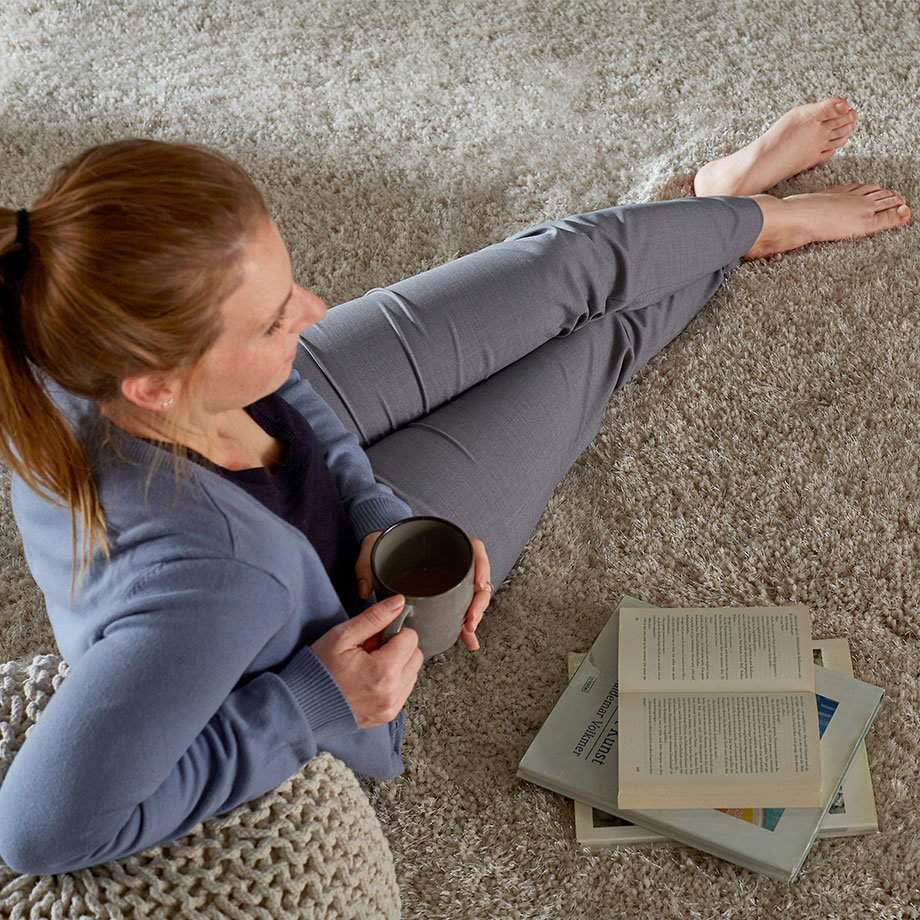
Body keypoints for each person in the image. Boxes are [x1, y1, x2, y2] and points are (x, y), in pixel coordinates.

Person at [0, 98, 909, 875]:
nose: (314, 309)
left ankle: (732, 206)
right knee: (594, 350)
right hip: (361, 592)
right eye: (280, 316)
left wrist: (372, 507)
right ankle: (727, 214)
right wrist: (313, 703)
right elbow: (42, 829)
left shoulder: (58, 308)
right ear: (155, 385)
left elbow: (284, 386)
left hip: (331, 481)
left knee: (569, 262)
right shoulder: (203, 590)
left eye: (287, 285)